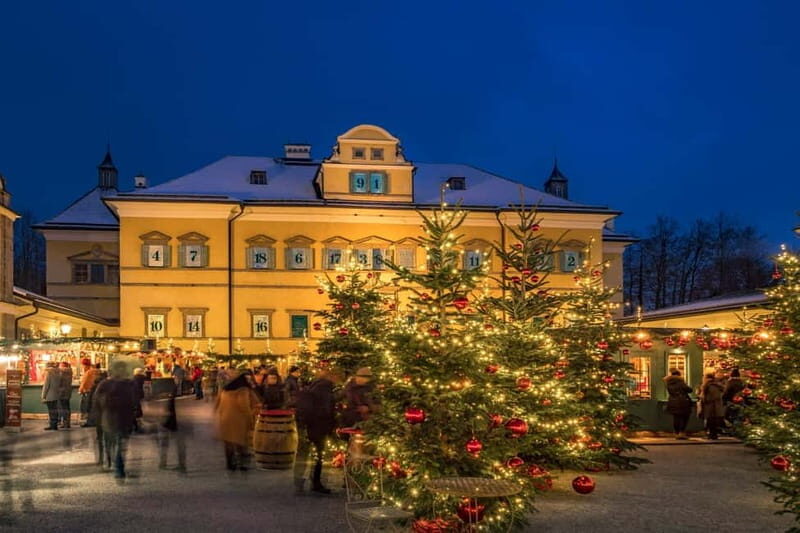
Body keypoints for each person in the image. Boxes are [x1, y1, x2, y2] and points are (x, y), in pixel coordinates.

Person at [294, 369, 341, 495]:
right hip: (319, 426)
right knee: (318, 456)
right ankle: (316, 482)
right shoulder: (326, 389)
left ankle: (298, 482)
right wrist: (332, 424)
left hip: (307, 425)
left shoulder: (313, 386)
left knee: (303, 454)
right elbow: (326, 410)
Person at [93, 360, 136, 480]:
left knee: (110, 441)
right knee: (120, 443)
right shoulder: (128, 384)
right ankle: (118, 467)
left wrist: (97, 418)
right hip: (124, 418)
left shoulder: (104, 384)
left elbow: (96, 402)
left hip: (108, 418)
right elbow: (133, 402)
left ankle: (110, 462)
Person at [215, 370, 261, 472]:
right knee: (241, 443)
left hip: (225, 420)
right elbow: (244, 406)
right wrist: (250, 419)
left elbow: (217, 403)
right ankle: (243, 465)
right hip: (239, 421)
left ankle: (230, 464)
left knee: (228, 444)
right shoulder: (243, 390)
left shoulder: (225, 390)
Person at [158, 382, 187, 474]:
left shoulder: (170, 399)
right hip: (175, 423)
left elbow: (167, 411)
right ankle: (181, 465)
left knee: (165, 444)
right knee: (178, 445)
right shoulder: (179, 398)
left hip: (169, 423)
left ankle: (163, 463)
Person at [664, 369, 693, 439]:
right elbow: (689, 390)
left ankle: (676, 433)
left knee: (676, 417)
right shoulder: (680, 382)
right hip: (683, 401)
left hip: (673, 401)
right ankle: (681, 432)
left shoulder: (668, 382)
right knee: (685, 417)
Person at [699, 372, 725, 440]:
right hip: (713, 405)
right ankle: (712, 434)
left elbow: (713, 396)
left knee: (711, 420)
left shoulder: (710, 385)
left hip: (711, 406)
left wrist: (705, 399)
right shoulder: (713, 385)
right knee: (711, 420)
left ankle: (712, 434)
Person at [41, 363, 61, 431]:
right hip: (56, 394)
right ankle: (55, 424)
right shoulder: (59, 373)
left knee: (51, 410)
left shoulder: (49, 373)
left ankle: (52, 425)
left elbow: (46, 385)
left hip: (49, 394)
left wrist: (43, 396)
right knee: (55, 410)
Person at [78, 358, 98, 426]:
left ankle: (89, 422)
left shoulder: (88, 372)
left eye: (83, 365)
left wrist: (80, 390)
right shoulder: (94, 372)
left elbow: (84, 382)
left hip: (87, 391)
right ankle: (91, 421)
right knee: (91, 407)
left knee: (87, 407)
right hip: (92, 391)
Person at [57, 362, 74, 428]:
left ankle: (65, 423)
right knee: (67, 407)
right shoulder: (69, 372)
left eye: (60, 365)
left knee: (63, 408)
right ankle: (67, 422)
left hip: (62, 392)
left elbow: (59, 381)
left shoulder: (62, 372)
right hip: (68, 391)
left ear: (63, 366)